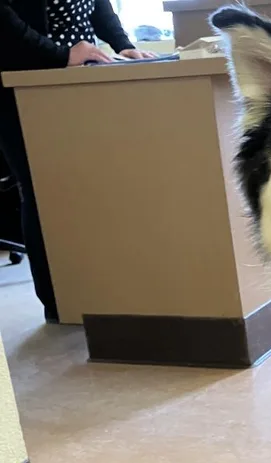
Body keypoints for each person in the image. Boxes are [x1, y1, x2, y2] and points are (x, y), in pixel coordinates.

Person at [0, 0, 155, 322]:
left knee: (91, 186)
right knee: (43, 190)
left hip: (80, 80)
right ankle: (61, 304)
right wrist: (60, 55)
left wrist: (123, 46)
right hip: (23, 80)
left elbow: (98, 5)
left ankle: (101, 295)